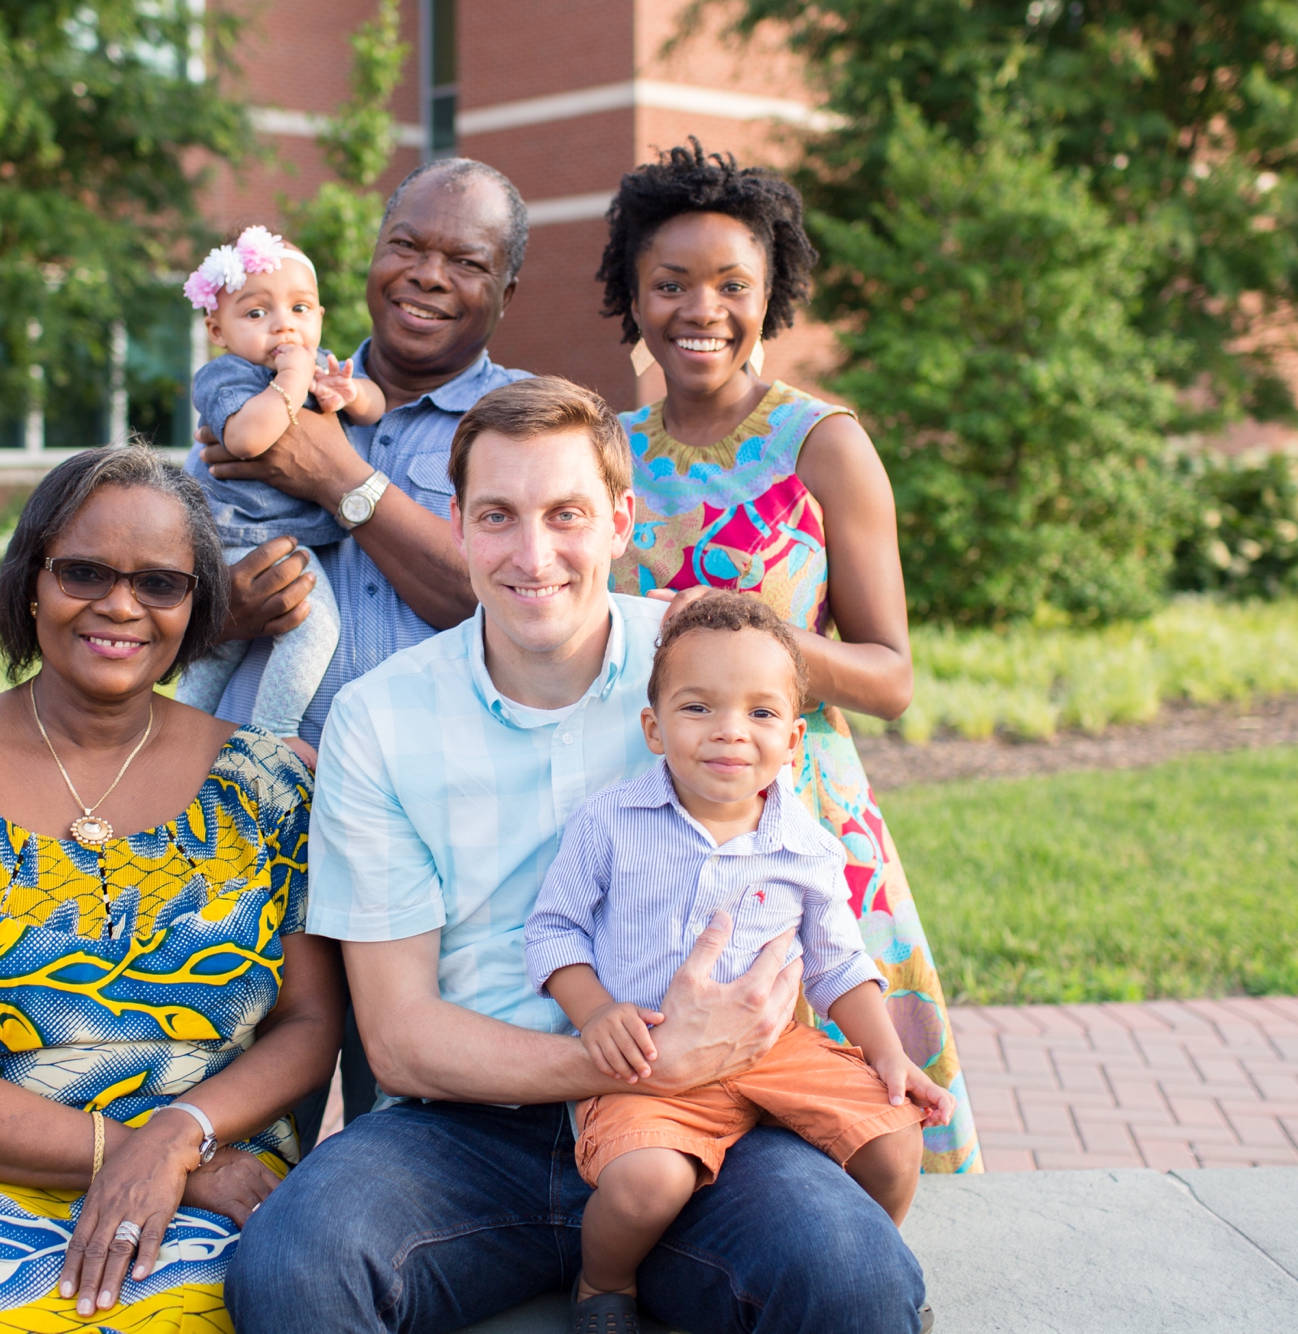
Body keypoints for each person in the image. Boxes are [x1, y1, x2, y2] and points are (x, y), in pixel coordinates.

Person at [227, 378, 929, 1334]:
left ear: (619, 521)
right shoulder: (378, 721)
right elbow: (398, 1037)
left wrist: (729, 1056)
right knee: (289, 1271)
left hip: (708, 1115)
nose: (533, 553)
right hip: (468, 1131)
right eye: (498, 517)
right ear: (460, 527)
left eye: (567, 514)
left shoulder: (707, 672)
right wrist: (645, 1061)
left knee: (856, 1278)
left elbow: (788, 910)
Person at [0, 446, 344, 1334]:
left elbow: (312, 1023)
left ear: (197, 604)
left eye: (160, 583)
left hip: (215, 1177)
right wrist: (142, 1154)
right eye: (85, 572)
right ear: (31, 582)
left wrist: (180, 1140)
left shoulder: (269, 787)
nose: (121, 605)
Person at [598, 140, 981, 1173]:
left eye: (731, 285)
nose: (699, 310)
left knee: (831, 1110)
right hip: (653, 810)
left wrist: (742, 642)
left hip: (798, 808)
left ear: (772, 296)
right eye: (668, 284)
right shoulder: (606, 449)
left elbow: (889, 675)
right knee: (671, 1100)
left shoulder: (822, 442)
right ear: (630, 295)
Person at [196, 157, 532, 1127]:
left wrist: (337, 475)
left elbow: (515, 611)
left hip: (434, 841)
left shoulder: (521, 424)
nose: (426, 274)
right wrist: (227, 610)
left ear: (504, 289)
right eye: (405, 246)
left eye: (463, 260)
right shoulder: (257, 387)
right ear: (371, 259)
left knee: (410, 1129)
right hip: (255, 823)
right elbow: (162, 583)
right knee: (253, 1121)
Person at [526, 591, 955, 1333]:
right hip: (649, 1060)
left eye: (760, 714)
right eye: (699, 709)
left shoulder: (807, 846)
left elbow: (837, 964)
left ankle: (875, 1267)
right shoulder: (610, 824)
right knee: (642, 1186)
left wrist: (889, 1056)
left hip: (773, 1051)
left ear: (793, 743)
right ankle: (605, 1285)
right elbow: (555, 930)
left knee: (893, 1137)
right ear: (654, 729)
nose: (730, 732)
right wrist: (596, 1014)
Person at [175, 225, 386, 740]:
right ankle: (274, 731)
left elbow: (376, 405)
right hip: (236, 536)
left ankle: (182, 736)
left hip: (270, 536)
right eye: (255, 313)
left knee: (220, 651)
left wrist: (348, 394)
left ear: (319, 317)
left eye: (299, 309)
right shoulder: (226, 377)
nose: (282, 327)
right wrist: (294, 380)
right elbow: (248, 438)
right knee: (312, 625)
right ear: (217, 330)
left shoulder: (310, 365)